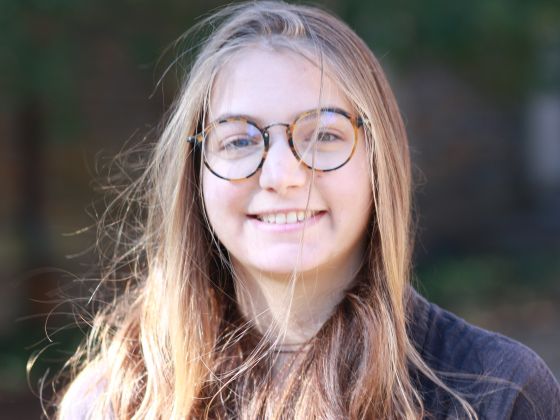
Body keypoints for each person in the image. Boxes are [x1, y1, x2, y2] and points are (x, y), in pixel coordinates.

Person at [53, 1, 560, 419]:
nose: (282, 175)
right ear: (195, 174)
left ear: (379, 162)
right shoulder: (114, 401)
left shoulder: (496, 392)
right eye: (239, 141)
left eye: (323, 134)